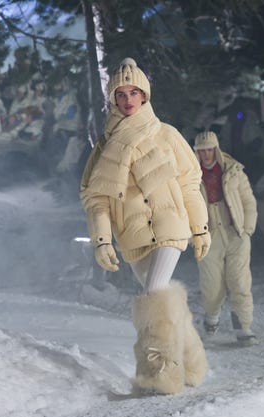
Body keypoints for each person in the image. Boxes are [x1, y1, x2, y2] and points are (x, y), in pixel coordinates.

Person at [79, 58, 210, 395]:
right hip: (132, 236)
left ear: (145, 95)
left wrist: (200, 228)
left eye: (134, 91)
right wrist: (102, 241)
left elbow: (189, 182)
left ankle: (159, 374)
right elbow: (96, 199)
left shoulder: (166, 134)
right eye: (120, 94)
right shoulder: (104, 147)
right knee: (165, 301)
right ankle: (193, 363)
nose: (128, 100)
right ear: (113, 99)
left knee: (153, 295)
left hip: (170, 226)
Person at [193, 131, 258, 345]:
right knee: (212, 284)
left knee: (239, 281)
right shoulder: (189, 175)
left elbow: (248, 201)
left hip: (235, 231)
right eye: (202, 150)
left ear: (216, 149)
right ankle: (211, 317)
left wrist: (247, 229)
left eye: (210, 149)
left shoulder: (233, 171)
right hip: (208, 234)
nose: (206, 154)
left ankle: (243, 326)